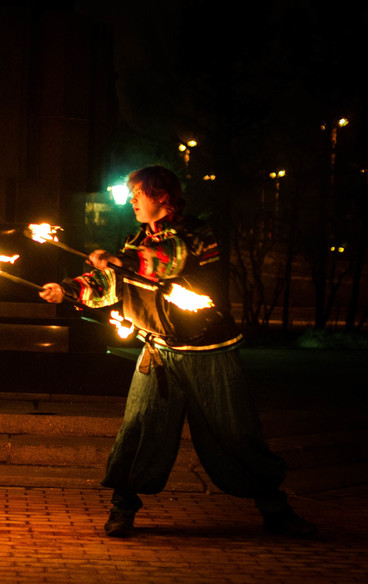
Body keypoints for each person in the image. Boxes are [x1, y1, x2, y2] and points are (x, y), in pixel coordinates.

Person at [40, 166, 316, 538]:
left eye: (138, 192)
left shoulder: (196, 234)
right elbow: (114, 282)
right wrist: (69, 289)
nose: (132, 200)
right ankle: (123, 508)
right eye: (131, 193)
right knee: (139, 429)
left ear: (162, 196)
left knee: (235, 433)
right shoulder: (136, 238)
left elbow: (167, 260)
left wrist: (125, 261)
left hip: (209, 352)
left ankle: (275, 509)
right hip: (157, 351)